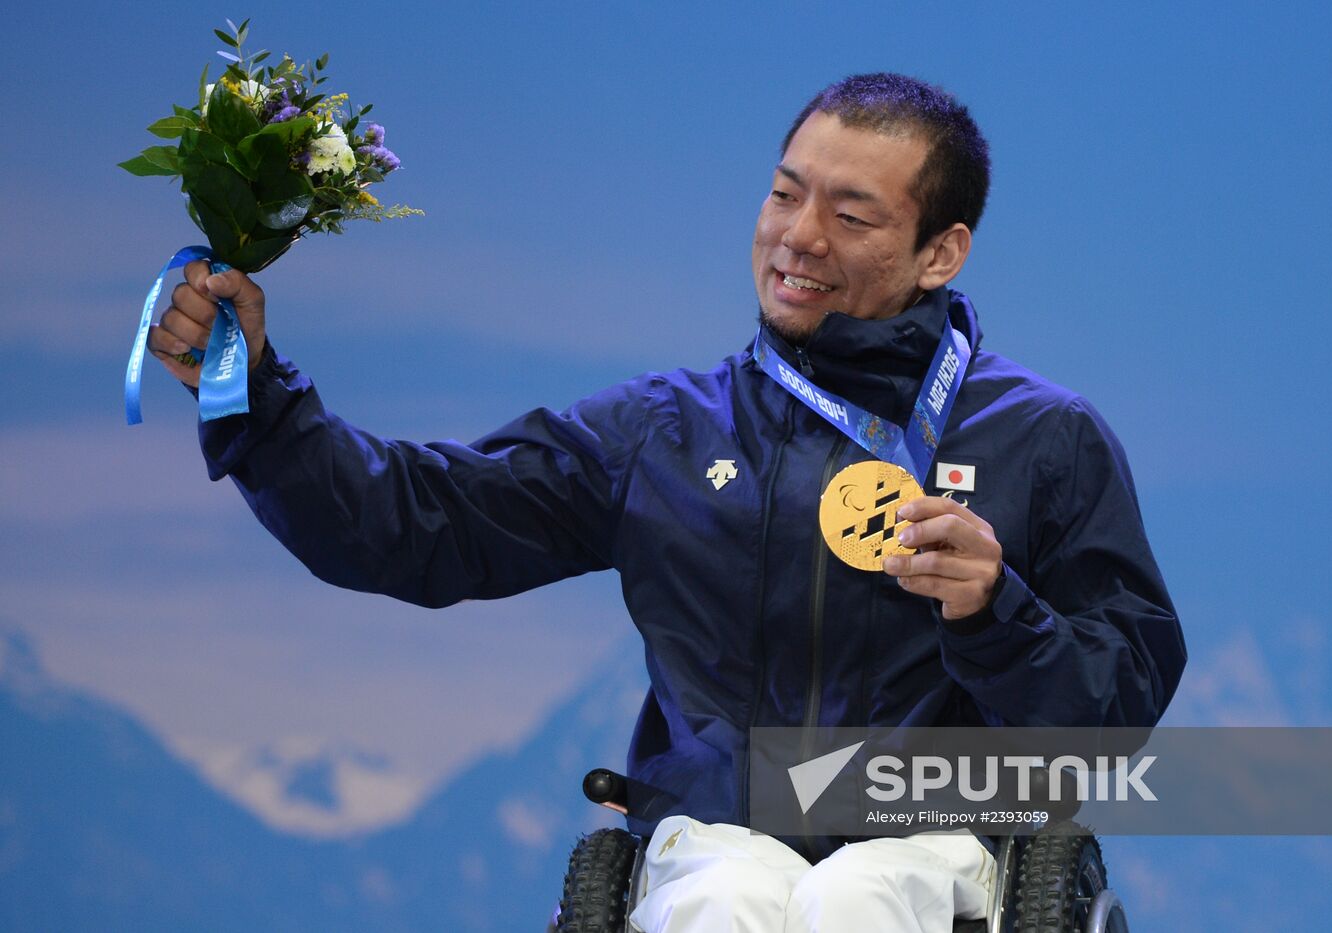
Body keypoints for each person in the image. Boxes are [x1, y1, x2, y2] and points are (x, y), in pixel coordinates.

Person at [149, 73, 1186, 932]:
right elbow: (412, 526)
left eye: (850, 213)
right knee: (731, 897)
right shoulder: (665, 433)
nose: (800, 236)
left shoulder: (1040, 440)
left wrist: (995, 609)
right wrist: (253, 400)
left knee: (854, 901)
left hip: (935, 841)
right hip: (718, 836)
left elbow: (1118, 704)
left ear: (939, 253)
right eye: (785, 195)